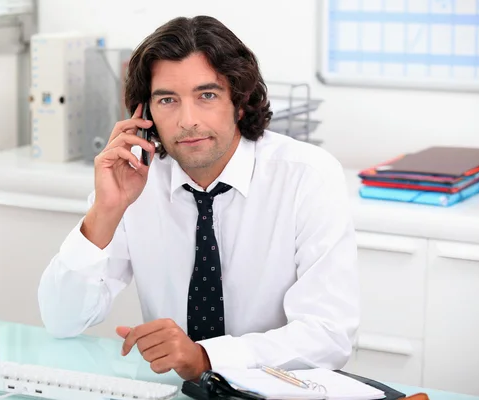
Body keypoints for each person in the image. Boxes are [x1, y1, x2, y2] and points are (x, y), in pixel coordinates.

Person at [38, 15, 359, 382]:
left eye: (207, 95)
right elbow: (61, 320)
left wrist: (207, 356)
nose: (187, 120)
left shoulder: (307, 176)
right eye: (167, 100)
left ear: (240, 101)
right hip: (172, 390)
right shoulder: (133, 180)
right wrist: (105, 212)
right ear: (145, 114)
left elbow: (329, 335)